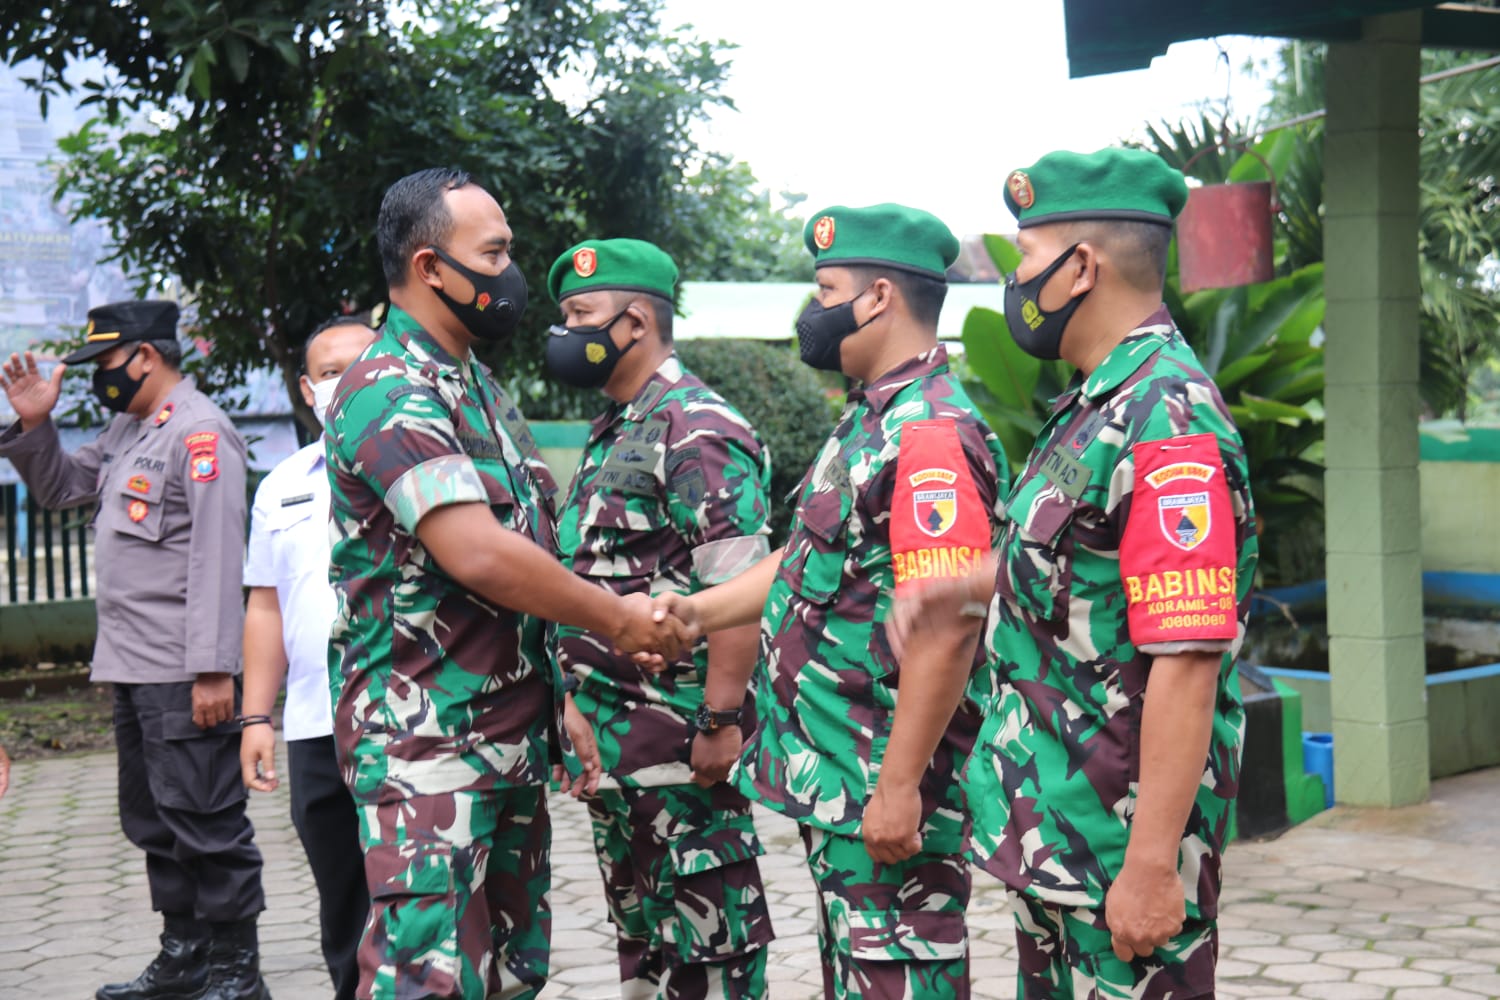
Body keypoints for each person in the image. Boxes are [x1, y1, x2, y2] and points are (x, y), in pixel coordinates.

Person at [888, 148, 1259, 999]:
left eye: (1023, 261)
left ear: (1079, 267)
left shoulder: (1167, 422)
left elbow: (1188, 657)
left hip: (1114, 852)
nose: (1015, 285)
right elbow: (1077, 567)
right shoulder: (1096, 406)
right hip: (1053, 836)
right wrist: (966, 583)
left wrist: (1153, 867)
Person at [325, 167, 688, 1000]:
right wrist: (622, 622)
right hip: (429, 748)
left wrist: (558, 695)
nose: (510, 274)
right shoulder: (391, 389)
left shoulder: (475, 387)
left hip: (507, 740)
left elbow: (522, 560)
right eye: (493, 253)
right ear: (429, 268)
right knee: (432, 981)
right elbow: (480, 555)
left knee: (510, 977)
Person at [654, 204, 1009, 999]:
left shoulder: (928, 435)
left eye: (824, 289)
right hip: (844, 784)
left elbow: (949, 626)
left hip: (884, 787)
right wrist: (698, 615)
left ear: (878, 296)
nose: (813, 312)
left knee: (897, 979)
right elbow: (807, 556)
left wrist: (898, 788)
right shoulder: (871, 418)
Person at [0, 300, 270, 1000]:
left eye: (106, 365)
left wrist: (215, 670)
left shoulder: (200, 433)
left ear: (146, 356)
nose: (98, 379)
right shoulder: (132, 427)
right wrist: (36, 423)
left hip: (184, 671)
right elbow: (63, 486)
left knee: (208, 819)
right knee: (154, 817)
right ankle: (185, 955)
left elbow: (216, 557)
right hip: (131, 664)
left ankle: (238, 971)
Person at [544, 238, 776, 997]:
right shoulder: (621, 424)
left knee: (713, 959)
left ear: (636, 320)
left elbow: (740, 588)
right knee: (645, 955)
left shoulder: (697, 427)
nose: (565, 330)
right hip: (620, 758)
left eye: (580, 313)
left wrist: (721, 718)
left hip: (683, 750)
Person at [240, 316, 378, 1000]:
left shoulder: (429, 465)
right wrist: (254, 718)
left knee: (424, 895)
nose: (347, 382)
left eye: (363, 364)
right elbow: (265, 605)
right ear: (305, 389)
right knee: (343, 899)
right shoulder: (283, 485)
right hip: (315, 725)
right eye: (330, 373)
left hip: (409, 719)